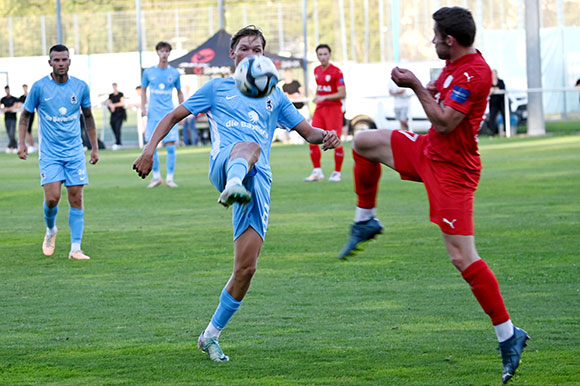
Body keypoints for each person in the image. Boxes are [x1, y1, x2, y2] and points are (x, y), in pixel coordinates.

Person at [337, 7, 528, 384]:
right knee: (362, 142)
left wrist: (415, 86)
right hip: (429, 151)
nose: (433, 41)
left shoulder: (475, 73)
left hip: (453, 171)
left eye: (436, 36)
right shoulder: (455, 66)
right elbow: (438, 116)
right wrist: (413, 85)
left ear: (450, 40)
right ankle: (365, 220)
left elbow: (443, 119)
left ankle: (509, 335)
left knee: (461, 256)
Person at [132, 25, 340, 362]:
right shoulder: (216, 88)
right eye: (245, 48)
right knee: (248, 145)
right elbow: (173, 115)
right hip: (223, 164)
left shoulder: (274, 94)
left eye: (257, 49)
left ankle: (210, 335)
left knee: (246, 269)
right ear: (233, 54)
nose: (251, 54)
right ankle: (233, 183)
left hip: (257, 182)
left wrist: (326, 135)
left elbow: (308, 132)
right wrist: (148, 150)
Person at [17, 44, 99, 261]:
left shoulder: (80, 87)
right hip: (50, 153)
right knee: (53, 199)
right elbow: (25, 116)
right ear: (50, 63)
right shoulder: (39, 87)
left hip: (74, 152)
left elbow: (88, 117)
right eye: (56, 60)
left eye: (64, 60)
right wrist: (21, 143)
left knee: (76, 198)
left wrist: (94, 147)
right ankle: (51, 230)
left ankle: (75, 248)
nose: (61, 64)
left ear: (69, 61)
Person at [141, 41, 184, 188]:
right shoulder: (148, 72)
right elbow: (143, 90)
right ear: (157, 53)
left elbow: (179, 92)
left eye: (166, 51)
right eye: (161, 51)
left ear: (169, 53)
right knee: (150, 146)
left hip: (169, 114)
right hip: (153, 114)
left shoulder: (174, 73)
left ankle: (170, 178)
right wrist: (143, 107)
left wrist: (182, 110)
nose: (164, 54)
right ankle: (156, 177)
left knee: (170, 146)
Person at [304, 44, 346, 182]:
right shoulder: (316, 70)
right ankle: (317, 171)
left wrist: (325, 97)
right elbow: (320, 89)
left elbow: (342, 93)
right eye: (320, 54)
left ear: (329, 55)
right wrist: (318, 96)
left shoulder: (336, 72)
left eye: (325, 54)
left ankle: (337, 173)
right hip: (320, 109)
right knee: (311, 137)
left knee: (335, 140)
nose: (322, 57)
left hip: (333, 110)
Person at [106, 83, 126, 150]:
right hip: (113, 115)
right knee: (114, 128)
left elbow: (122, 103)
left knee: (118, 128)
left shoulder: (120, 94)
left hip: (120, 114)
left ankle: (118, 143)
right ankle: (117, 141)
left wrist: (114, 105)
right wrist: (111, 105)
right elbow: (108, 102)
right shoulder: (111, 95)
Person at [488, 69, 506, 136]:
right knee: (492, 117)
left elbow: (503, 89)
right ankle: (492, 132)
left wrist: (497, 89)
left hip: (501, 102)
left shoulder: (501, 82)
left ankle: (505, 131)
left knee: (504, 116)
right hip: (493, 103)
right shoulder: (489, 82)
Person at [1, 85, 19, 153]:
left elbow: (15, 106)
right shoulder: (3, 99)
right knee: (9, 133)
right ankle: (13, 146)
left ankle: (12, 146)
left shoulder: (14, 98)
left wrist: (6, 109)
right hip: (6, 118)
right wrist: (3, 109)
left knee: (12, 132)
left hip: (13, 118)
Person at [18, 84, 36, 153]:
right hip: (25, 115)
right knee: (26, 130)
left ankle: (32, 145)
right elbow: (19, 104)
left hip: (31, 114)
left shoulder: (30, 96)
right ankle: (30, 145)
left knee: (28, 130)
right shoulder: (21, 97)